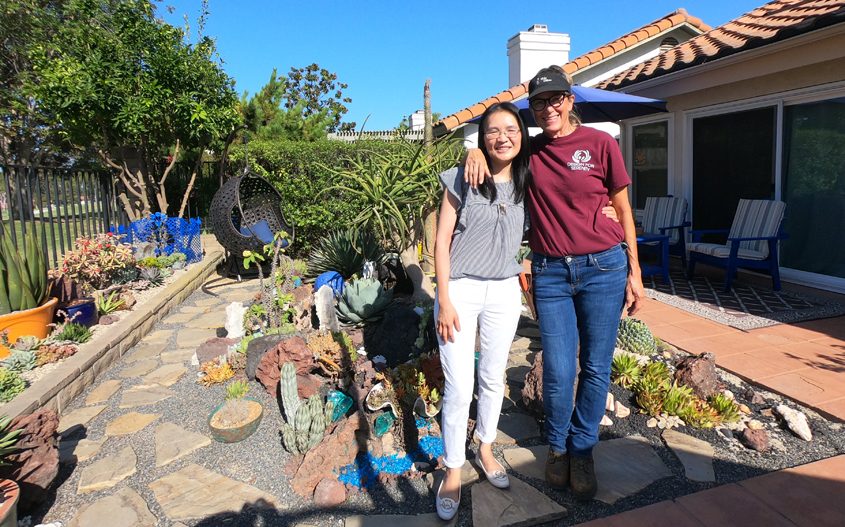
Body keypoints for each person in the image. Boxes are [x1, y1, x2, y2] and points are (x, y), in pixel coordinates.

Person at [464, 65, 644, 501]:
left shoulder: (601, 144)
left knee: (598, 366)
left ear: (570, 100)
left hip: (604, 267)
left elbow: (622, 210)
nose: (548, 109)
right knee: (561, 370)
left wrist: (636, 272)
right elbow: (494, 149)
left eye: (555, 99)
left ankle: (583, 451)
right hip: (550, 272)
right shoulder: (531, 152)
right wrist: (470, 149)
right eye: (539, 102)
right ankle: (558, 450)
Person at [433, 101, 620, 520]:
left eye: (511, 130)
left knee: (493, 376)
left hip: (503, 290)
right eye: (492, 131)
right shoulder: (463, 177)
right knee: (459, 385)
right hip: (460, 290)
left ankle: (484, 447)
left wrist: (607, 207)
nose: (503, 137)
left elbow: (575, 183)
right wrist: (443, 298)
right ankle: (452, 469)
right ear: (482, 137)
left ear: (522, 135)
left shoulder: (526, 176)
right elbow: (441, 239)